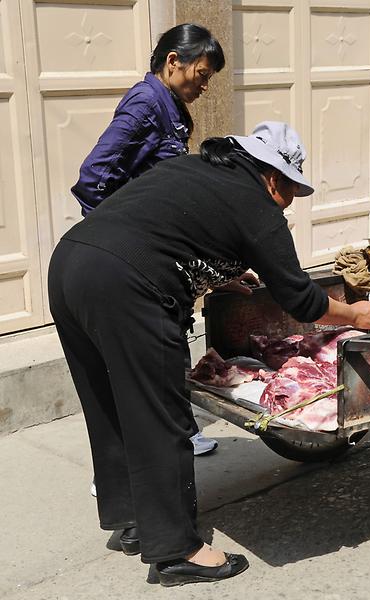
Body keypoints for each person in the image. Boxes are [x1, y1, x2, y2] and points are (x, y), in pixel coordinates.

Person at [49, 121, 370, 585]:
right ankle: (176, 550)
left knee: (108, 401)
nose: (290, 203)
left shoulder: (199, 171)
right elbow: (300, 298)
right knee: (161, 414)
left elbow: (173, 231)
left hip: (71, 264)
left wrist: (219, 276)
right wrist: (353, 315)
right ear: (274, 177)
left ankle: (131, 519)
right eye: (291, 190)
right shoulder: (258, 203)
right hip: (129, 286)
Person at [72, 23, 225, 457]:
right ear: (172, 61)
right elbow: (93, 178)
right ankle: (135, 459)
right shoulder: (145, 103)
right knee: (145, 349)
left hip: (158, 252)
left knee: (169, 337)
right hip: (134, 255)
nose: (204, 84)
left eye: (209, 77)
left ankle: (179, 430)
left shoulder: (170, 106)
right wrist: (118, 236)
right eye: (201, 72)